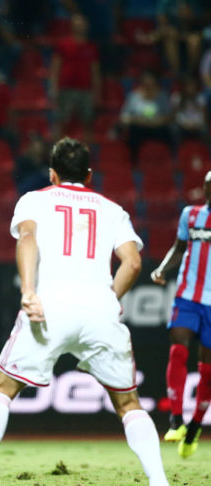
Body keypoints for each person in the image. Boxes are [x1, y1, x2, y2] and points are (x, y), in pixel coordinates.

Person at [0, 138, 169, 486]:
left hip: (49, 307)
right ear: (89, 174)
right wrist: (109, 299)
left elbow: (27, 239)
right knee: (129, 404)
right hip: (99, 311)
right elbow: (132, 263)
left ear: (52, 173)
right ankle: (160, 481)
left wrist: (28, 291)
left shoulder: (34, 200)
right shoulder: (113, 210)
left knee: (1, 389)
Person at [150, 170, 211, 459]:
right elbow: (179, 248)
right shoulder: (191, 214)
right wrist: (162, 269)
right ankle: (176, 420)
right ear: (205, 189)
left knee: (208, 371)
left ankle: (195, 426)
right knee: (177, 350)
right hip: (187, 296)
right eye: (209, 186)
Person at [49, 14, 101, 143]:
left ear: (86, 26)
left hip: (86, 90)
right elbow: (55, 67)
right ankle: (57, 152)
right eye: (77, 24)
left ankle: (86, 153)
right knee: (60, 121)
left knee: (88, 122)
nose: (79, 27)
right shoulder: (63, 44)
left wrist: (96, 92)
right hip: (66, 89)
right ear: (72, 26)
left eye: (81, 24)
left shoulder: (91, 47)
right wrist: (53, 88)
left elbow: (95, 71)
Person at [119, 70, 173, 164]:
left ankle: (170, 162)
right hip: (140, 128)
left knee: (171, 132)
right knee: (132, 132)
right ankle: (134, 164)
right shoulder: (134, 96)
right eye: (146, 84)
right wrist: (138, 120)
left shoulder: (162, 96)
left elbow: (169, 116)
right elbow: (124, 117)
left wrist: (157, 121)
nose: (148, 87)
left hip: (158, 128)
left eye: (151, 84)